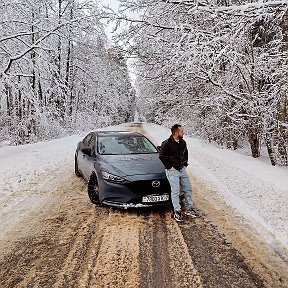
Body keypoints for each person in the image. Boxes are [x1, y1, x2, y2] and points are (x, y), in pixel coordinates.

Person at [159, 124, 197, 222]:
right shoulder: (166, 143)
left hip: (182, 169)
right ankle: (177, 211)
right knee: (175, 191)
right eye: (181, 131)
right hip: (172, 171)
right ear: (176, 132)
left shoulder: (183, 142)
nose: (183, 133)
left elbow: (186, 152)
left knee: (188, 188)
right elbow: (162, 156)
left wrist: (185, 164)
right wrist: (169, 167)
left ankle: (190, 208)